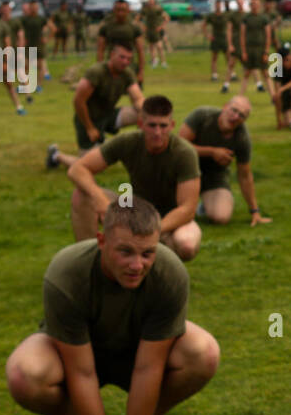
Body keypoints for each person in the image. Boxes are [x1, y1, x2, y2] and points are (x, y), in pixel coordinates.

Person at [5, 197, 220, 415]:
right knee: (23, 374)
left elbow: (148, 367)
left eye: (147, 253)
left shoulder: (169, 273)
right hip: (77, 356)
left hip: (139, 354)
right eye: (125, 252)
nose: (137, 265)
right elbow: (81, 371)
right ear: (102, 241)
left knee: (204, 352)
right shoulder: (67, 273)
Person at [66, 95, 200, 262]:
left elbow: (187, 209)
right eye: (152, 125)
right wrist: (101, 201)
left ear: (171, 125)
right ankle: (91, 262)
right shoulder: (128, 142)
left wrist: (151, 230)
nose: (157, 132)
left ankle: (160, 270)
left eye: (163, 126)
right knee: (82, 196)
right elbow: (77, 169)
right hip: (135, 208)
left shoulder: (184, 153)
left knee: (186, 245)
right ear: (140, 124)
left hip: (171, 218)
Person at [47, 43, 144, 170]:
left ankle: (141, 151)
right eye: (122, 57)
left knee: (143, 114)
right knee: (88, 166)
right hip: (87, 119)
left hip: (108, 115)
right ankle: (56, 155)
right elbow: (78, 101)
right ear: (112, 55)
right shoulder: (96, 72)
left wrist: (146, 113)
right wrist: (90, 128)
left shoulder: (127, 73)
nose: (125, 62)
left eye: (129, 59)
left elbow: (138, 98)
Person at [179, 96, 271, 227]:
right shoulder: (202, 115)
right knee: (172, 209)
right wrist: (212, 152)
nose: (235, 117)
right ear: (225, 106)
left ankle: (204, 207)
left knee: (222, 217)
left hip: (214, 176)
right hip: (185, 170)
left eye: (241, 115)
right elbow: (180, 146)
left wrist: (254, 211)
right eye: (234, 110)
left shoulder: (242, 138)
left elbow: (245, 176)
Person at [97, 0, 146, 86]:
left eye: (123, 10)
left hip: (129, 67)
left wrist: (141, 72)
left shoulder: (134, 28)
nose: (120, 13)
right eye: (118, 10)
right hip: (111, 67)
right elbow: (100, 50)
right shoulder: (106, 27)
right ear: (114, 10)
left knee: (136, 95)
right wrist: (100, 70)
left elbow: (140, 51)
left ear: (128, 10)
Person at [239, 0, 273, 95]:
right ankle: (240, 96)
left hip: (260, 49)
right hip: (249, 49)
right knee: (246, 73)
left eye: (256, 4)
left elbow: (268, 35)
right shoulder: (246, 18)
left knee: (265, 73)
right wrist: (244, 51)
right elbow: (242, 35)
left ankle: (273, 97)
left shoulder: (264, 18)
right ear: (250, 6)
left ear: (259, 6)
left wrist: (266, 52)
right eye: (253, 4)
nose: (255, 6)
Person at [270, 41, 291, 130]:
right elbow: (277, 95)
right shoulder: (277, 69)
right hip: (286, 94)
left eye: (288, 59)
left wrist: (282, 88)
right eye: (284, 60)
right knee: (287, 123)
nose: (287, 62)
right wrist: (279, 120)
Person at [18, 0, 50, 86]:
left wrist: (47, 38)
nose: (33, 9)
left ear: (37, 8)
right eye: (32, 7)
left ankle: (38, 85)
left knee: (40, 65)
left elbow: (51, 28)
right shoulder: (25, 19)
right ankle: (24, 84)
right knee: (25, 65)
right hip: (28, 45)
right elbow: (19, 30)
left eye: (35, 7)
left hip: (39, 45)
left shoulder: (41, 19)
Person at [204, 0, 230, 83]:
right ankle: (214, 75)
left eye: (219, 5)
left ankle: (231, 74)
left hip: (224, 38)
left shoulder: (225, 15)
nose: (218, 6)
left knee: (228, 57)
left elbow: (230, 26)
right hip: (215, 38)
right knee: (214, 57)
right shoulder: (212, 16)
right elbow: (204, 25)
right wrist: (207, 35)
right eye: (217, 5)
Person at [142, 0, 168, 69]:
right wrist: (143, 27)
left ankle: (163, 62)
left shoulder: (158, 9)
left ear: (154, 2)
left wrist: (161, 27)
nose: (150, 3)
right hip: (149, 31)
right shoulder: (146, 10)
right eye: (149, 2)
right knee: (151, 46)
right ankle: (154, 61)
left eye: (151, 2)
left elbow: (166, 18)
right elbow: (139, 18)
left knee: (159, 46)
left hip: (157, 30)